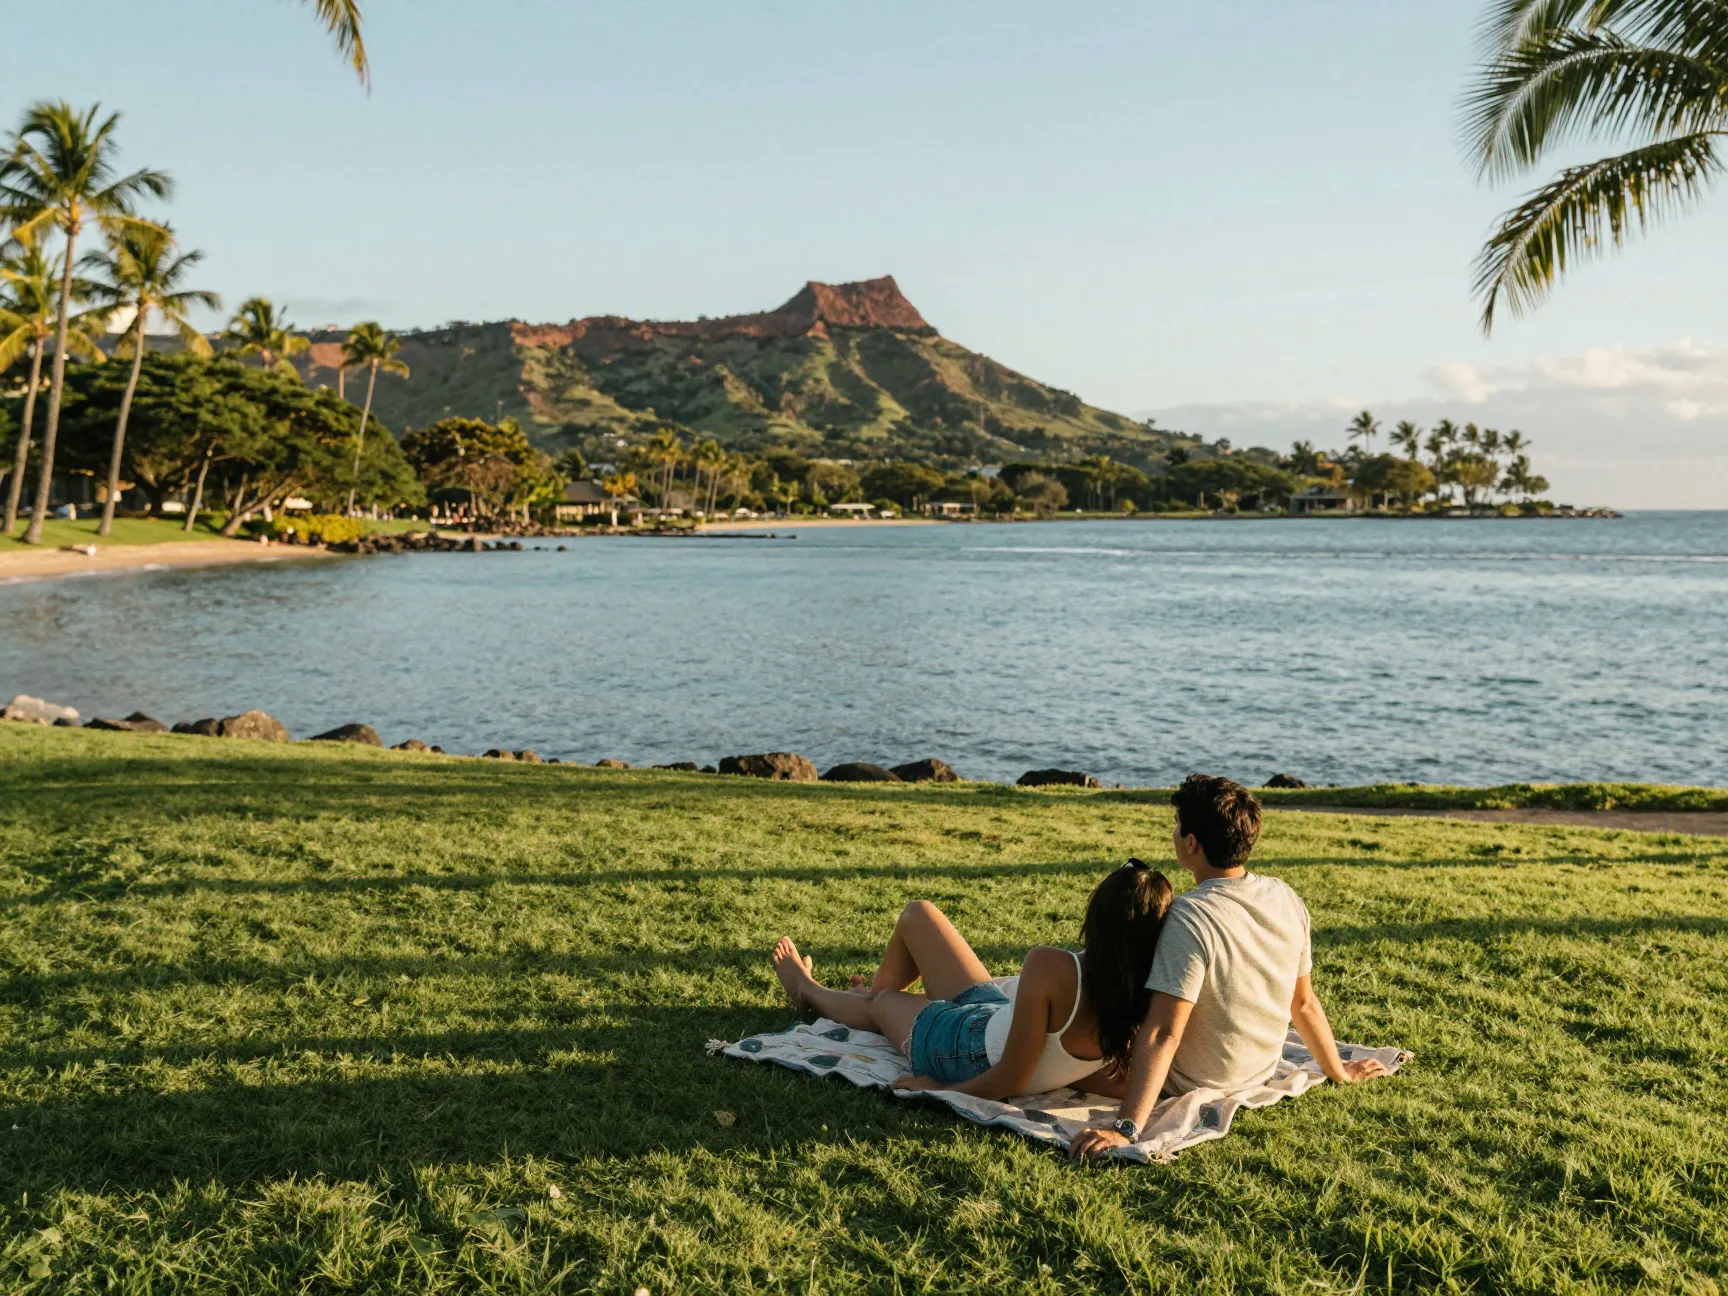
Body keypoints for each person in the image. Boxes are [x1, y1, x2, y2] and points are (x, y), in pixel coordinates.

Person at [1069, 774, 1390, 1160]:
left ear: (1191, 842)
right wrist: (1338, 1070)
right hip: (1257, 1070)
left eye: (1177, 825)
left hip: (1194, 1079)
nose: (1174, 833)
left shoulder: (1190, 917)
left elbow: (1163, 1033)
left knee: (1062, 1058)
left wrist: (1126, 1128)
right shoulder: (1285, 897)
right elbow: (1302, 1003)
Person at [770, 863, 1173, 1101]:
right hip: (994, 1017)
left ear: (1098, 918)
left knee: (883, 1003)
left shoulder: (1052, 966)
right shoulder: (1146, 997)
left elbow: (1013, 1077)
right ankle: (861, 996)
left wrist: (941, 1090)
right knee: (918, 914)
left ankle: (807, 989)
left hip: (960, 1050)